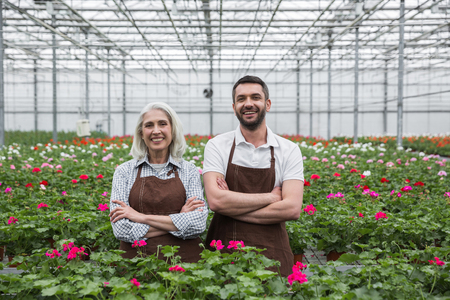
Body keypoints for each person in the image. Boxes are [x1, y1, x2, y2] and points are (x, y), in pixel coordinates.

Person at [203, 75, 304, 276]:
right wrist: (272, 198)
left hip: (273, 254)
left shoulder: (289, 150)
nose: (248, 103)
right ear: (234, 107)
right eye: (241, 99)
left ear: (267, 104)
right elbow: (215, 201)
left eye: (255, 97)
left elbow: (292, 209)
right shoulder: (217, 145)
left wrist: (231, 206)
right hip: (224, 254)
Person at [109, 102, 208, 262]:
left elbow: (197, 224)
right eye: (149, 125)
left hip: (185, 264)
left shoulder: (189, 170)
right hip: (137, 264)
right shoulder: (124, 171)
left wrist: (140, 217)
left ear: (172, 129)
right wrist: (178, 220)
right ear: (141, 133)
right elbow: (120, 229)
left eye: (162, 124)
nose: (156, 131)